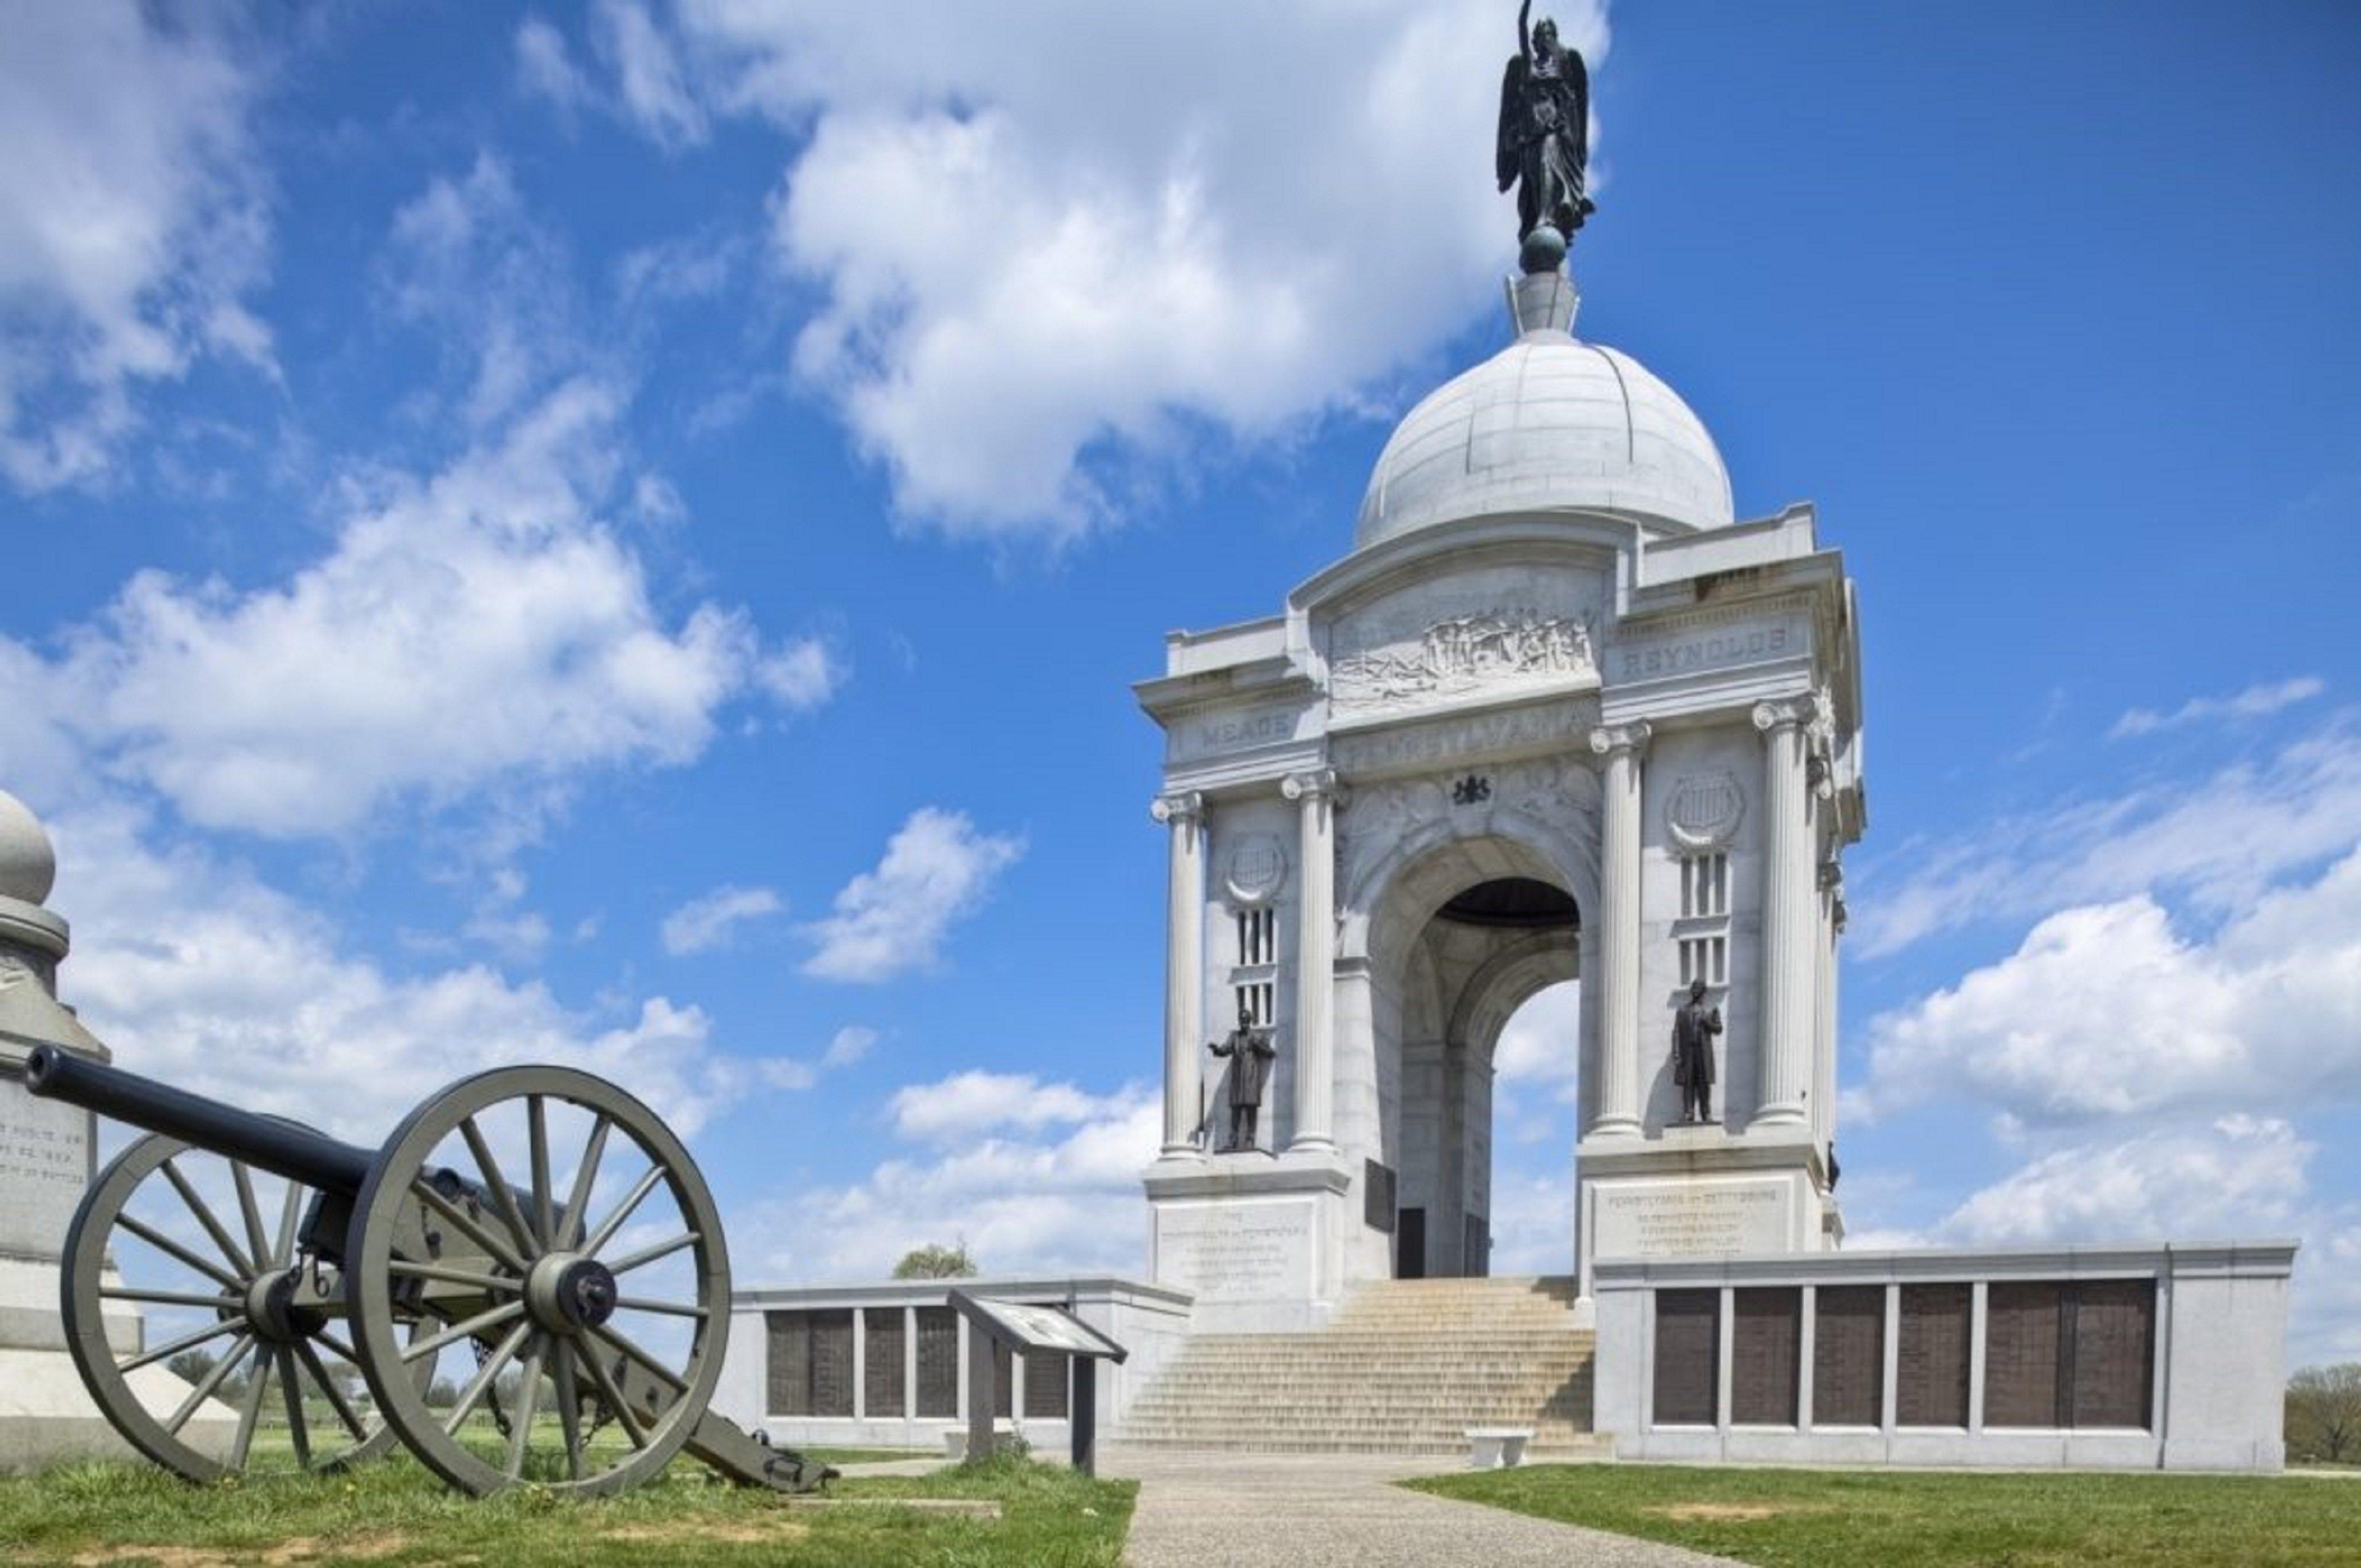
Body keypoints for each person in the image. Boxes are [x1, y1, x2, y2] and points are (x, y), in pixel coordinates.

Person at [1496, 1, 1594, 247]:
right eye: (1539, 36)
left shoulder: (1563, 66)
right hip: (1530, 133)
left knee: (1546, 163)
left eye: (1548, 35)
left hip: (1553, 128)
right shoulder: (1526, 66)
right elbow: (1521, 25)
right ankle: (1539, 215)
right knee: (1532, 182)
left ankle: (1547, 216)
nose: (1543, 40)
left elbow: (1573, 103)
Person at [1208, 997, 1278, 1152]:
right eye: (1242, 1020)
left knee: (1251, 1110)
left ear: (1250, 1021)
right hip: (1238, 1080)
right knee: (1236, 1111)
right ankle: (1233, 1141)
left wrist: (1258, 1045)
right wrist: (1216, 1050)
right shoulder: (1235, 1037)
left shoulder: (1258, 1036)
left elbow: (1271, 1053)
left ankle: (1250, 1140)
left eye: (1246, 1020)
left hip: (1251, 1079)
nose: (1244, 1023)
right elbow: (1225, 1050)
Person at [1672, 977, 1721, 1123]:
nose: (1695, 991)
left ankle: (1706, 1113)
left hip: (1703, 1052)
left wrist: (1707, 1022)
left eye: (1698, 989)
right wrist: (1676, 1053)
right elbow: (1676, 1033)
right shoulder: (1682, 1011)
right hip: (1688, 1052)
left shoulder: (1711, 1010)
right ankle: (1689, 1112)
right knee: (1688, 1083)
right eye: (1693, 988)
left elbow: (1719, 1029)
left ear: (1704, 992)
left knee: (1703, 1083)